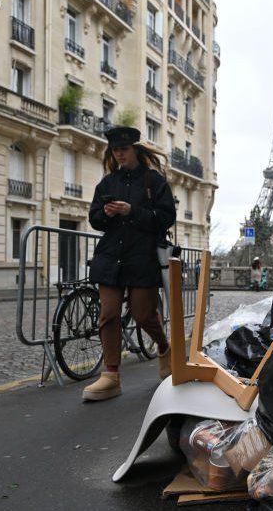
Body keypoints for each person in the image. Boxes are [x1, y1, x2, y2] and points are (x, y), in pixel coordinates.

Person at [82, 126, 176, 401]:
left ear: (135, 149)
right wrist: (108, 213)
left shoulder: (154, 181)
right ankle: (111, 376)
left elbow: (166, 216)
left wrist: (132, 211)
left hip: (142, 256)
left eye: (123, 149)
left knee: (143, 313)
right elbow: (95, 218)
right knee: (108, 314)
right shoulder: (107, 183)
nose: (119, 154)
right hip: (111, 256)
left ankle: (164, 347)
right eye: (115, 150)